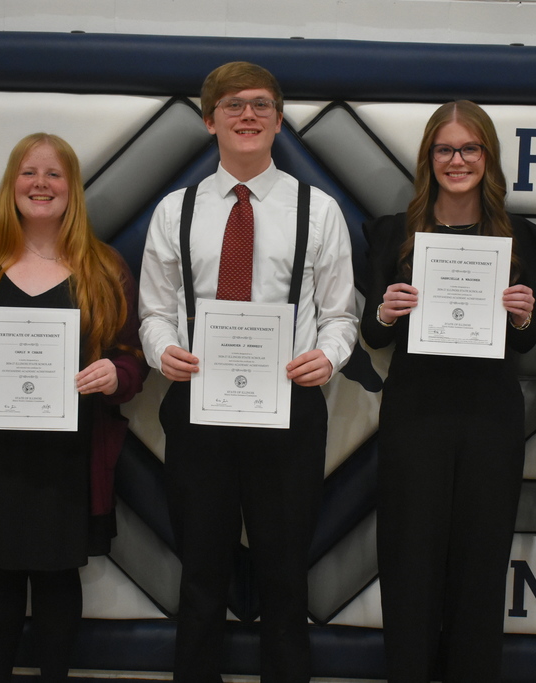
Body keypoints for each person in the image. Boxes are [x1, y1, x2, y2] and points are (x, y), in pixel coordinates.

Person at [137, 61, 358, 683]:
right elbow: (154, 311)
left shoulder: (319, 210)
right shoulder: (174, 211)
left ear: (279, 121)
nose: (248, 115)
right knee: (202, 577)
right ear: (210, 121)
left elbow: (342, 315)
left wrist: (330, 356)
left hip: (289, 411)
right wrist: (161, 353)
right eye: (233, 105)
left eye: (261, 105)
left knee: (287, 580)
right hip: (196, 411)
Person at [0, 133, 147, 683]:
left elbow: (132, 358)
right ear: (10, 185)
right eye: (28, 172)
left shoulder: (104, 267)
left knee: (58, 576)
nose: (40, 184)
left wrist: (116, 374)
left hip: (70, 452)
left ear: (72, 189)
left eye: (54, 174)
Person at [361, 100, 536, 683]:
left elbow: (526, 343)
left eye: (470, 148)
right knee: (410, 566)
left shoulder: (520, 237)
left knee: (480, 568)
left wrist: (522, 318)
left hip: (490, 421)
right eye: (445, 149)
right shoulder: (393, 233)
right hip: (416, 415)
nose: (457, 160)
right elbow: (372, 334)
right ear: (428, 158)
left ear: (487, 157)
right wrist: (387, 311)